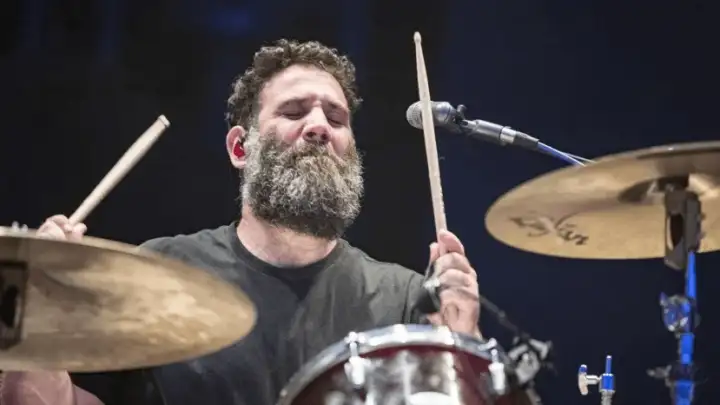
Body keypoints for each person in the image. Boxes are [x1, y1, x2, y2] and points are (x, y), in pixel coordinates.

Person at [2, 39, 481, 405]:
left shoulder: (405, 299)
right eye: (294, 111)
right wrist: (34, 318)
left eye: (336, 119)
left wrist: (463, 349)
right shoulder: (158, 273)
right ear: (239, 148)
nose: (319, 126)